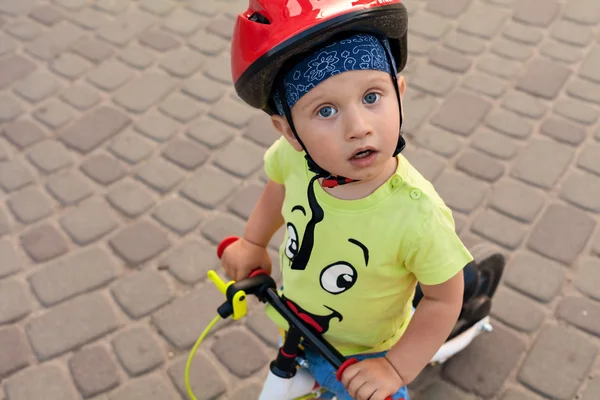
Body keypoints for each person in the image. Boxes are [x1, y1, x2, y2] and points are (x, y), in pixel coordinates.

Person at [220, 1, 476, 399]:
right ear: (288, 131)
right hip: (301, 327)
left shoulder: (417, 215)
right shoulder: (295, 159)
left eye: (372, 97)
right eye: (325, 110)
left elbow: (444, 298)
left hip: (371, 355)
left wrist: (394, 367)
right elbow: (279, 186)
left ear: (399, 93)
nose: (359, 127)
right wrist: (253, 241)